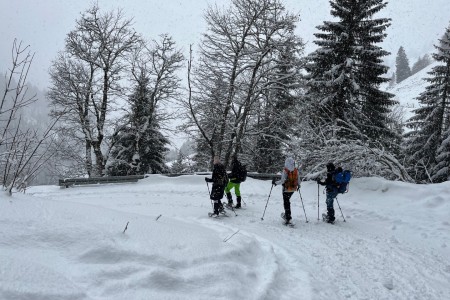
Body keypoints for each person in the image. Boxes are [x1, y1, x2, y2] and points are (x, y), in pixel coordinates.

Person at [272, 157, 301, 224]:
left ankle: (288, 217)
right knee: (287, 201)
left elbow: (282, 181)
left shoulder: (285, 171)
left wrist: (275, 183)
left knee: (286, 203)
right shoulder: (296, 170)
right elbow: (299, 180)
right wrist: (299, 185)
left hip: (286, 189)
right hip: (293, 189)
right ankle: (288, 215)